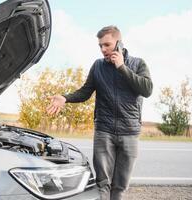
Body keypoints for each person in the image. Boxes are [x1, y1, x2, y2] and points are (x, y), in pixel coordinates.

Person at [46, 25, 153, 200]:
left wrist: (122, 68)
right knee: (102, 184)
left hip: (130, 132)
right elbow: (84, 92)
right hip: (104, 131)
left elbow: (147, 90)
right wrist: (65, 98)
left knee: (120, 186)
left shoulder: (138, 63)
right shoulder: (98, 66)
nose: (103, 49)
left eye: (107, 45)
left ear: (119, 43)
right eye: (100, 46)